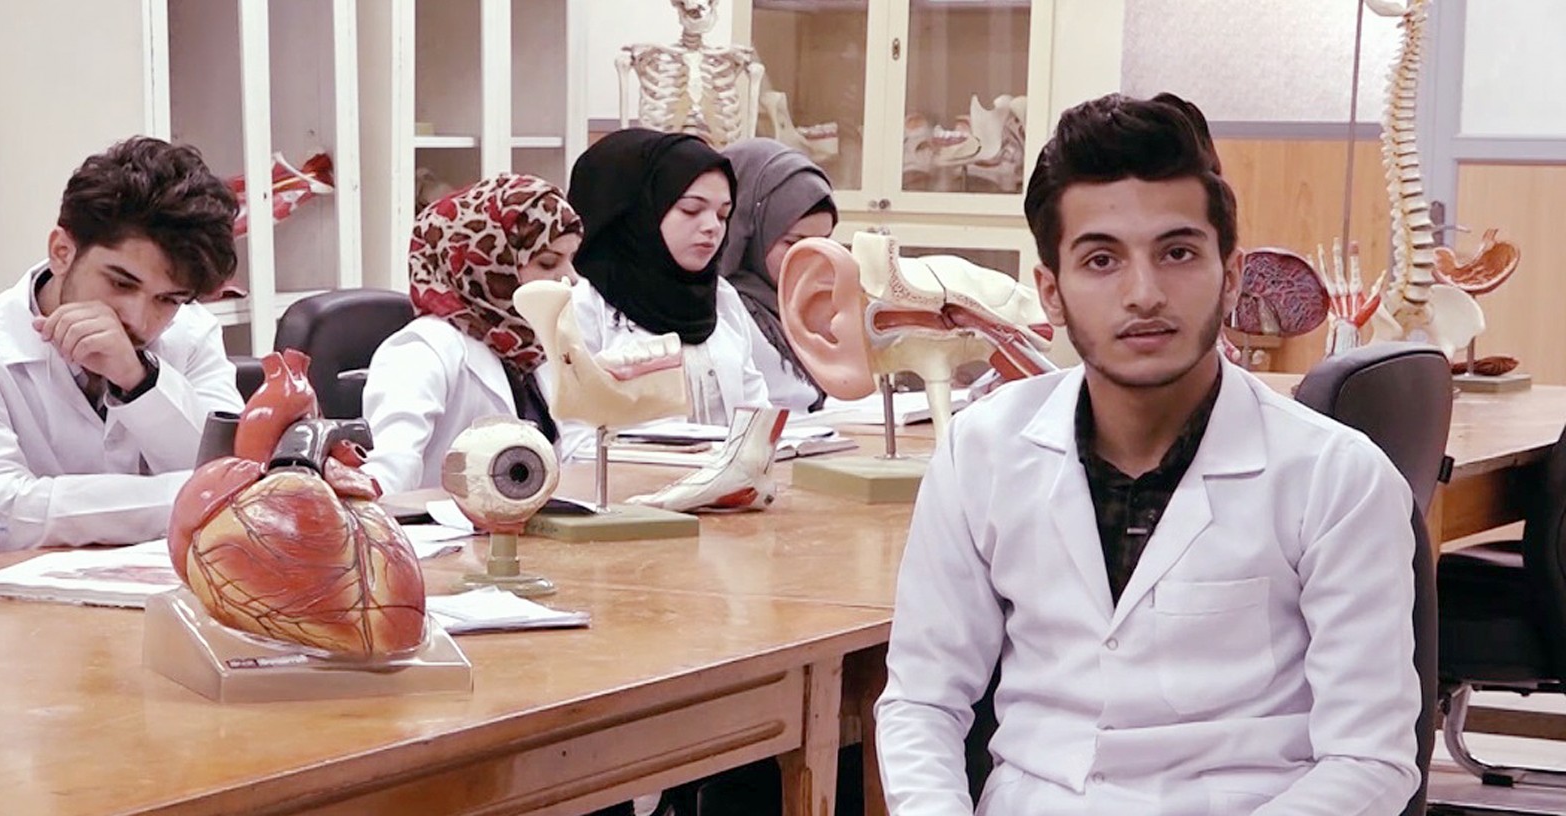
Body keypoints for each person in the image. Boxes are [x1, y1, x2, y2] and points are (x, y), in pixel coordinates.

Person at [873, 92, 1421, 814]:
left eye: (1178, 253)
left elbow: (1370, 760)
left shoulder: (1336, 477)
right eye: (1101, 260)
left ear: (1231, 275)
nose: (1144, 293)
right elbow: (922, 702)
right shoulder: (981, 451)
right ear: (1051, 293)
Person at [0, 137, 243, 551]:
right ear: (61, 252)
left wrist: (139, 380)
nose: (138, 319)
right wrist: (196, 497)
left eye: (168, 299)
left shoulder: (193, 332)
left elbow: (228, 462)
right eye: (121, 283)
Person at [361, 173, 583, 493]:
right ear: (488, 266)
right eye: (548, 263)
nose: (571, 278)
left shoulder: (530, 345)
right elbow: (389, 474)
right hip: (441, 524)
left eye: (572, 260)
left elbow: (576, 448)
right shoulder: (420, 351)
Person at [560, 128, 768, 454]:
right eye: (691, 209)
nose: (712, 227)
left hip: (729, 483)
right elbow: (572, 443)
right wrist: (672, 459)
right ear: (639, 209)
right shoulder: (582, 305)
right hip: (630, 485)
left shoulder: (721, 299)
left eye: (723, 214)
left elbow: (756, 410)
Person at [717, 137, 837, 413]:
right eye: (793, 243)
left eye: (823, 242)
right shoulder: (724, 308)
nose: (812, 258)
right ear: (745, 229)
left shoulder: (804, 305)